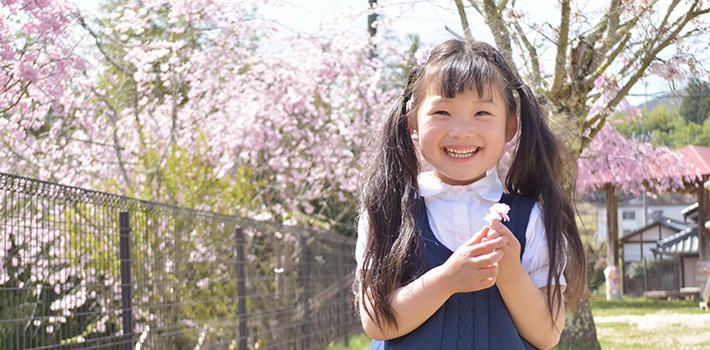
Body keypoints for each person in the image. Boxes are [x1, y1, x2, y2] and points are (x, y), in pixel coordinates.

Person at [354, 39, 586, 350]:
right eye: (442, 112)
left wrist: (509, 271)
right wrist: (448, 279)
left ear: (510, 126)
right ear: (413, 125)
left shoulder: (531, 219)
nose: (461, 130)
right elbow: (375, 322)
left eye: (481, 113)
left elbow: (546, 335)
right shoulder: (387, 212)